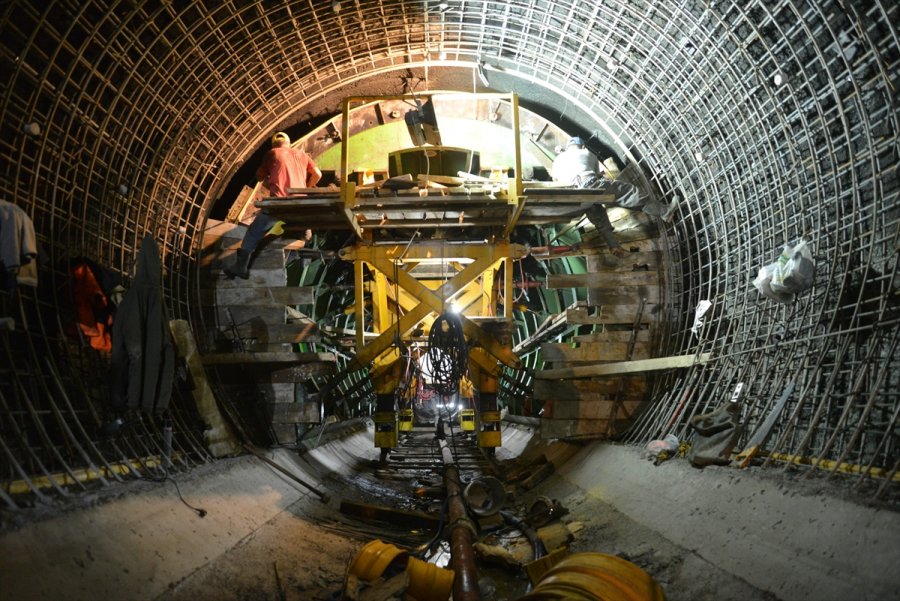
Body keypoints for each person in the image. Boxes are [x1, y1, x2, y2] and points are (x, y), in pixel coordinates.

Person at [551, 137, 676, 257]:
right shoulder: (585, 152)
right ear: (582, 145)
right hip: (589, 184)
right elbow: (597, 175)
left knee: (599, 218)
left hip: (574, 198)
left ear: (568, 147)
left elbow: (556, 181)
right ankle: (665, 212)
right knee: (629, 194)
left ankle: (613, 246)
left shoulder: (557, 161)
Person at [224, 132, 322, 279]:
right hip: (299, 205)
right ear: (289, 143)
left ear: (273, 145)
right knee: (305, 232)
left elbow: (259, 176)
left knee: (253, 233)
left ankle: (241, 268)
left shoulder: (272, 153)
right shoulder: (301, 154)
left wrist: (268, 175)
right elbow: (317, 174)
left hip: (278, 204)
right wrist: (307, 187)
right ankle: (299, 249)